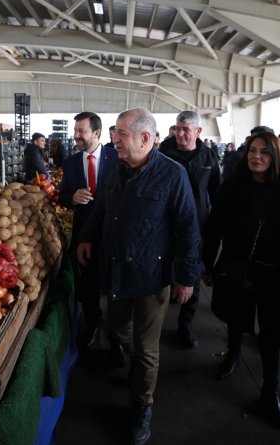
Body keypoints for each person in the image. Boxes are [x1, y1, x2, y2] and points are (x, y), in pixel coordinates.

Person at [77, 108, 202, 445]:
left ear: (146, 138)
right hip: (117, 270)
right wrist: (88, 236)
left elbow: (188, 230)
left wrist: (187, 277)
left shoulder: (173, 175)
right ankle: (136, 367)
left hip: (152, 274)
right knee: (116, 329)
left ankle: (142, 405)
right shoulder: (115, 171)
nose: (114, 139)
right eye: (114, 132)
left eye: (121, 133)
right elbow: (101, 208)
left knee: (147, 351)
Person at [203, 131, 280, 431]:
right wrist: (207, 263)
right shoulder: (233, 185)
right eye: (252, 150)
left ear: (276, 156)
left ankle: (270, 390)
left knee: (271, 332)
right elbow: (214, 226)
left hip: (272, 272)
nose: (256, 156)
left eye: (264, 152)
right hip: (236, 265)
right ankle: (232, 353)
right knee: (236, 315)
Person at [158, 110, 221, 349]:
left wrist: (216, 222)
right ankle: (156, 320)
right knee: (165, 268)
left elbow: (217, 192)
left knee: (192, 271)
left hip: (198, 225)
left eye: (186, 129)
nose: (181, 134)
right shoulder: (164, 151)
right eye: (178, 128)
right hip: (166, 223)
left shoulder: (208, 157)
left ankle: (185, 325)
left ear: (198, 131)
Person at [58, 112, 118, 351]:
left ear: (96, 133)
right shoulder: (71, 162)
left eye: (81, 131)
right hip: (85, 233)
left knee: (114, 282)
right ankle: (93, 321)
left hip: (113, 232)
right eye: (75, 131)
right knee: (90, 281)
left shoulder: (117, 158)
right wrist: (71, 197)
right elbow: (62, 195)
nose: (76, 136)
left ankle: (118, 335)